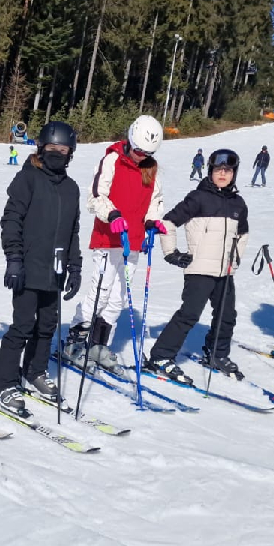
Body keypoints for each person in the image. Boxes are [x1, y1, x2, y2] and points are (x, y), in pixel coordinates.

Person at [0, 122, 83, 415]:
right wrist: (14, 259)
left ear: (70, 154)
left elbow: (73, 232)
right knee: (23, 326)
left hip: (55, 269)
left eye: (63, 150)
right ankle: (1, 382)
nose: (57, 153)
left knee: (47, 326)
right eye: (51, 148)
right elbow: (11, 220)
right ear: (41, 148)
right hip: (28, 267)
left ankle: (35, 371)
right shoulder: (27, 178)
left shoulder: (71, 188)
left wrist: (75, 267)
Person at [63, 114, 166, 370]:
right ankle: (74, 342)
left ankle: (99, 344)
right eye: (139, 150)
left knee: (119, 297)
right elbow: (96, 195)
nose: (142, 156)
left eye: (148, 153)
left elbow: (154, 202)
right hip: (109, 238)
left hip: (133, 242)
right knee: (100, 292)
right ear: (131, 140)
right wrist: (112, 215)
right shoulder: (112, 160)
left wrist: (152, 222)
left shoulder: (151, 170)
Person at [145, 148, 249, 384]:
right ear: (210, 171)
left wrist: (234, 260)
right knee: (189, 314)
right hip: (199, 269)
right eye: (218, 169)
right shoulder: (198, 198)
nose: (223, 174)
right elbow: (168, 222)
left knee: (227, 315)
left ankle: (217, 354)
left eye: (228, 170)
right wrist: (171, 253)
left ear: (234, 174)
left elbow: (243, 234)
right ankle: (161, 356)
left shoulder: (238, 203)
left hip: (225, 272)